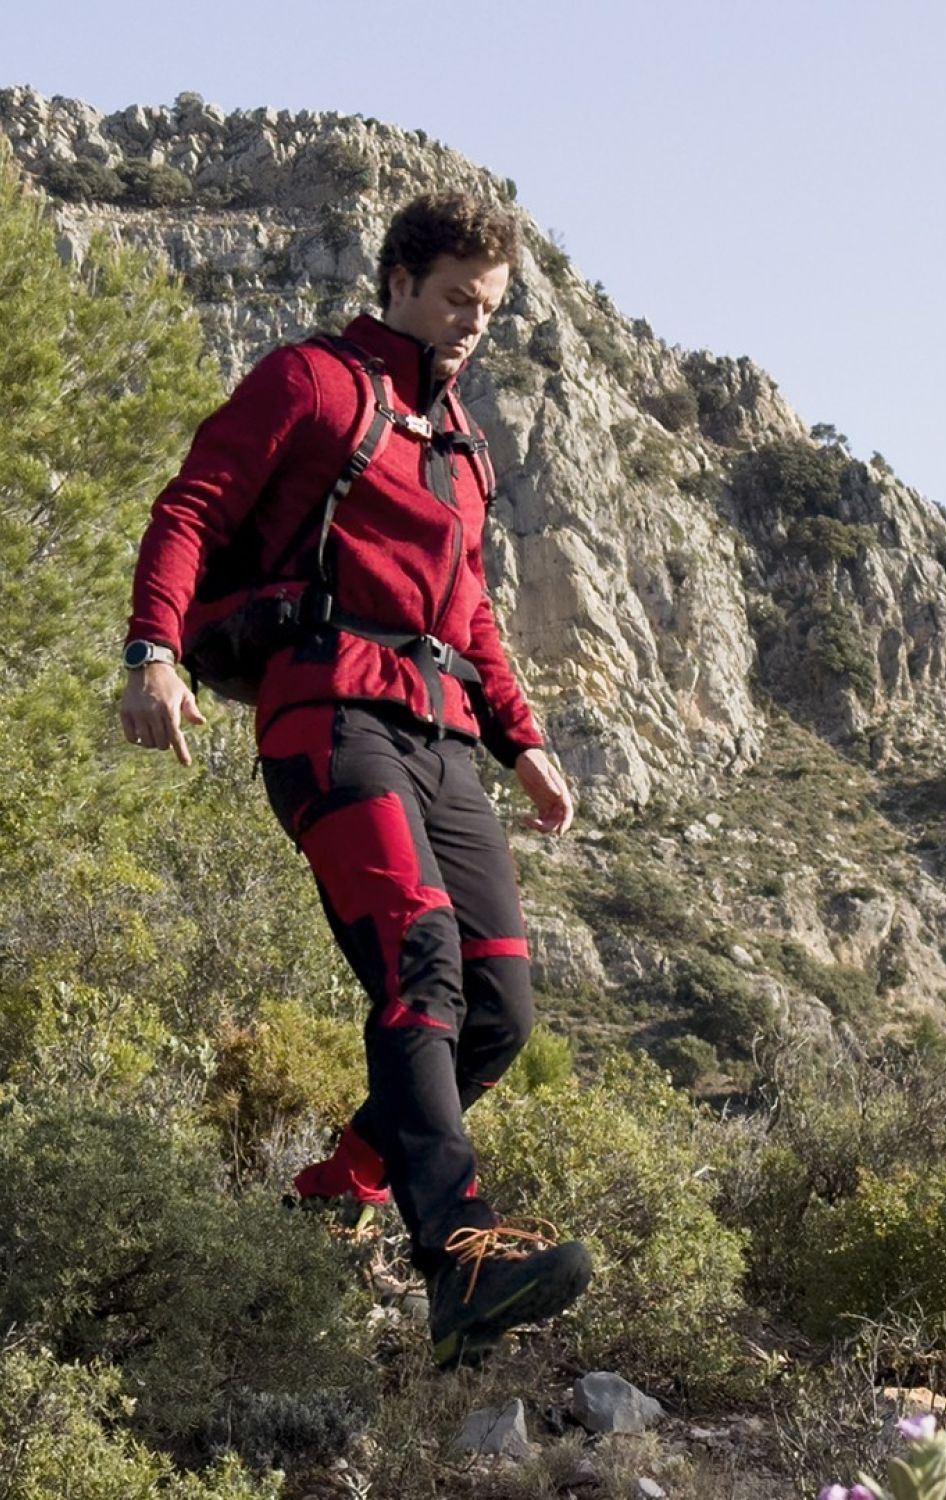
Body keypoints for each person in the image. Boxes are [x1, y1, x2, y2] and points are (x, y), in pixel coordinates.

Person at [118, 192, 592, 1367]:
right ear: (396, 282)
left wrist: (520, 737)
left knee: (499, 1007)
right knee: (416, 957)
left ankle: (345, 1181)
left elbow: (470, 608)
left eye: (488, 309)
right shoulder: (313, 383)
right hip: (325, 713)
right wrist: (154, 653)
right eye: (453, 301)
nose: (469, 325)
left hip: (439, 736)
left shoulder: (461, 445)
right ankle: (462, 1252)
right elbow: (191, 510)